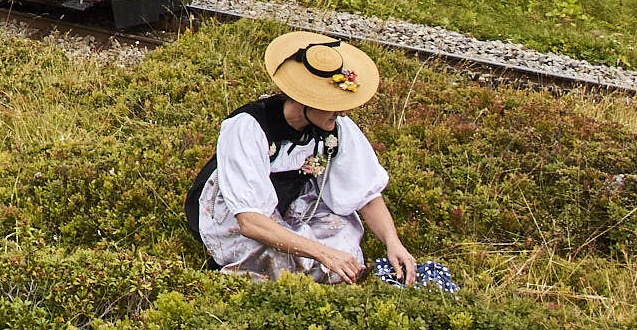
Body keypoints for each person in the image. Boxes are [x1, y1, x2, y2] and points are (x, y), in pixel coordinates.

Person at [188, 32, 450, 289]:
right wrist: (322, 253)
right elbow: (249, 220)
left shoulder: (335, 126)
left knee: (344, 240)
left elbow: (366, 192)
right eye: (332, 104)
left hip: (294, 202)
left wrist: (393, 243)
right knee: (288, 259)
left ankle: (310, 261)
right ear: (305, 100)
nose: (343, 112)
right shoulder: (249, 126)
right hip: (240, 211)